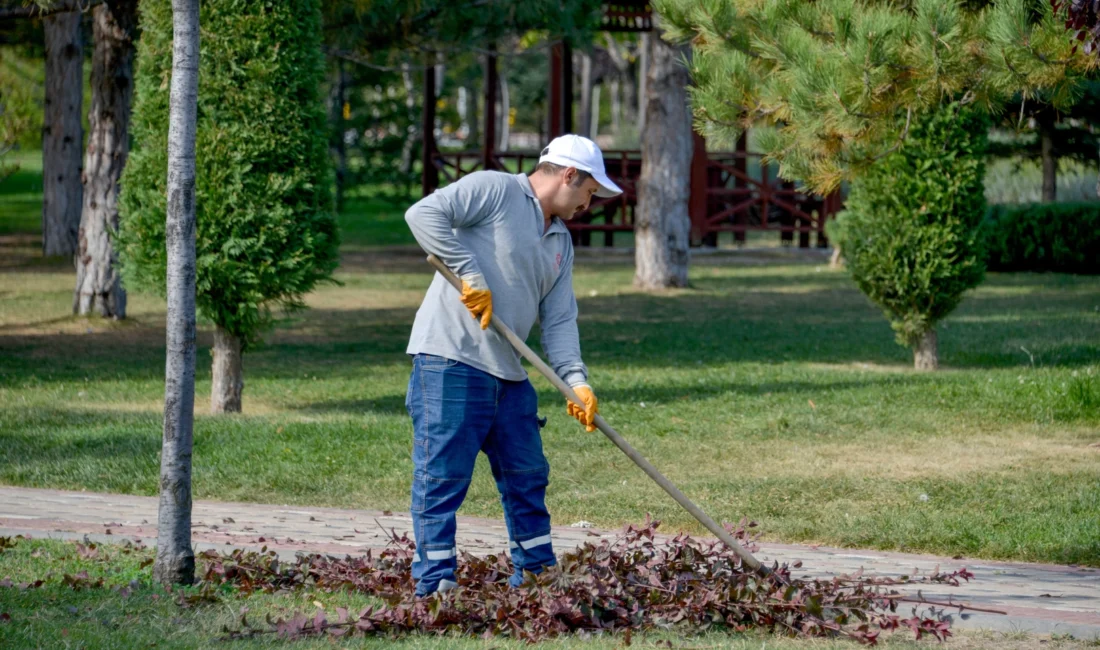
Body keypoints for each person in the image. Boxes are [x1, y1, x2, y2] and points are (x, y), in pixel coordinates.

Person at [402, 134, 623, 596]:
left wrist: (576, 383)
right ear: (568, 175)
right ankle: (437, 583)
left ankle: (536, 573)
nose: (591, 202)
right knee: (442, 475)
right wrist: (469, 274)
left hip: (510, 374)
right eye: (590, 191)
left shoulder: (560, 240)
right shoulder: (496, 189)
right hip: (451, 360)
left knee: (527, 474)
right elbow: (421, 214)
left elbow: (560, 320)